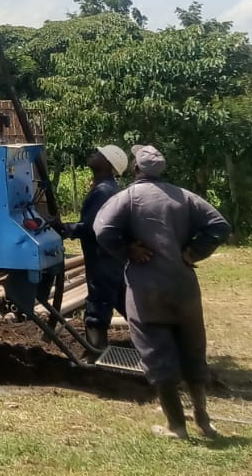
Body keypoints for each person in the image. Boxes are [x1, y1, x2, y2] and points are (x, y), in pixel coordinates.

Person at [93, 144, 231, 441]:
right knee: (193, 351)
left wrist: (127, 250)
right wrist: (193, 252)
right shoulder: (184, 197)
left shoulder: (128, 197)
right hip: (184, 287)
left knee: (157, 353)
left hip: (147, 289)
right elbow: (219, 225)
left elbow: (102, 230)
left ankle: (176, 426)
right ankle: (204, 421)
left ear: (136, 170)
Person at [57, 144, 128, 352]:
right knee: (121, 300)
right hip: (108, 256)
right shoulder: (105, 187)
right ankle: (158, 342)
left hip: (101, 257)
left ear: (108, 164)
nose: (94, 155)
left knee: (98, 304)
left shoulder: (104, 191)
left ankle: (95, 353)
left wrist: (66, 229)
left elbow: (92, 227)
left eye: (99, 154)